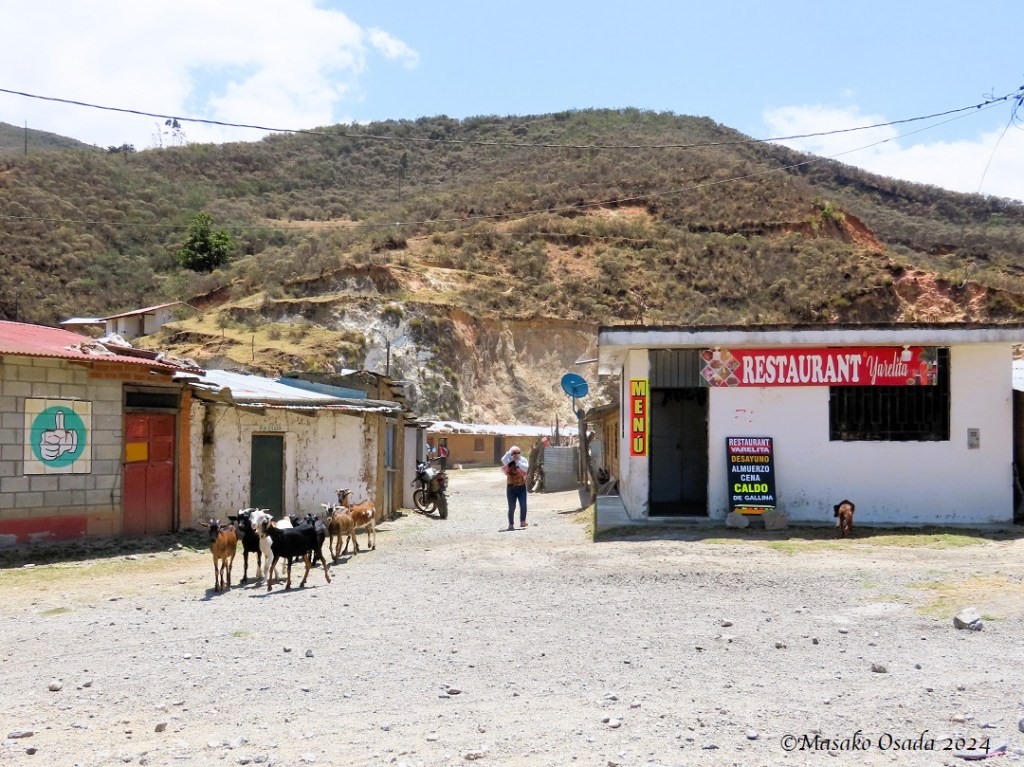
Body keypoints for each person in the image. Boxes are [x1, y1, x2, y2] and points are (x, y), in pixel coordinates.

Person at [501, 445, 529, 531]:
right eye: (514, 453)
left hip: (521, 486)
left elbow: (525, 468)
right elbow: (503, 460)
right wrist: (510, 454)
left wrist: (517, 462)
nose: (516, 455)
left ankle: (522, 521)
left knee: (523, 505)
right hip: (511, 487)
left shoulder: (523, 460)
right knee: (511, 507)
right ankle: (511, 524)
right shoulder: (508, 460)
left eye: (517, 453)